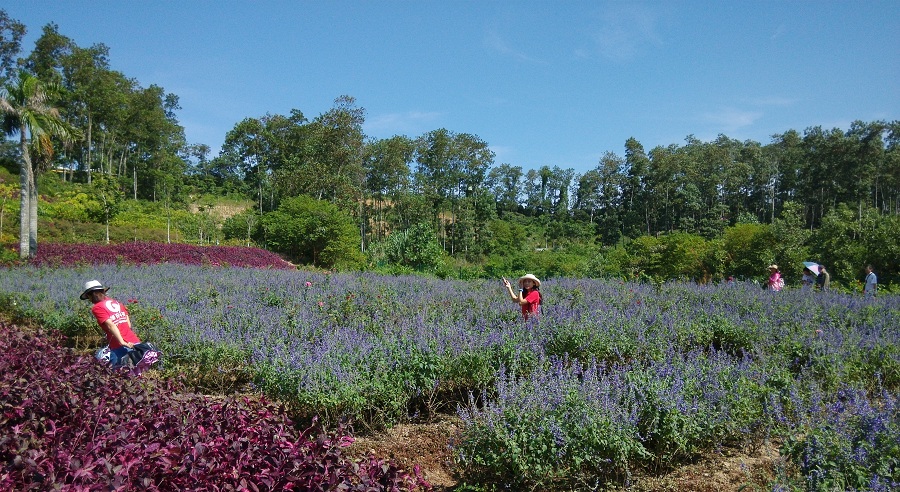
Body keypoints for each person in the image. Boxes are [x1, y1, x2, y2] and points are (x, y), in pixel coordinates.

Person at [81, 279, 142, 368]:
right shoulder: (117, 303)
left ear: (92, 295)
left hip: (119, 345)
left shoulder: (97, 307)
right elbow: (128, 324)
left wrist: (121, 341)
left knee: (118, 374)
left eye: (88, 297)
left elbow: (110, 325)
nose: (89, 300)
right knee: (137, 372)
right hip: (134, 341)